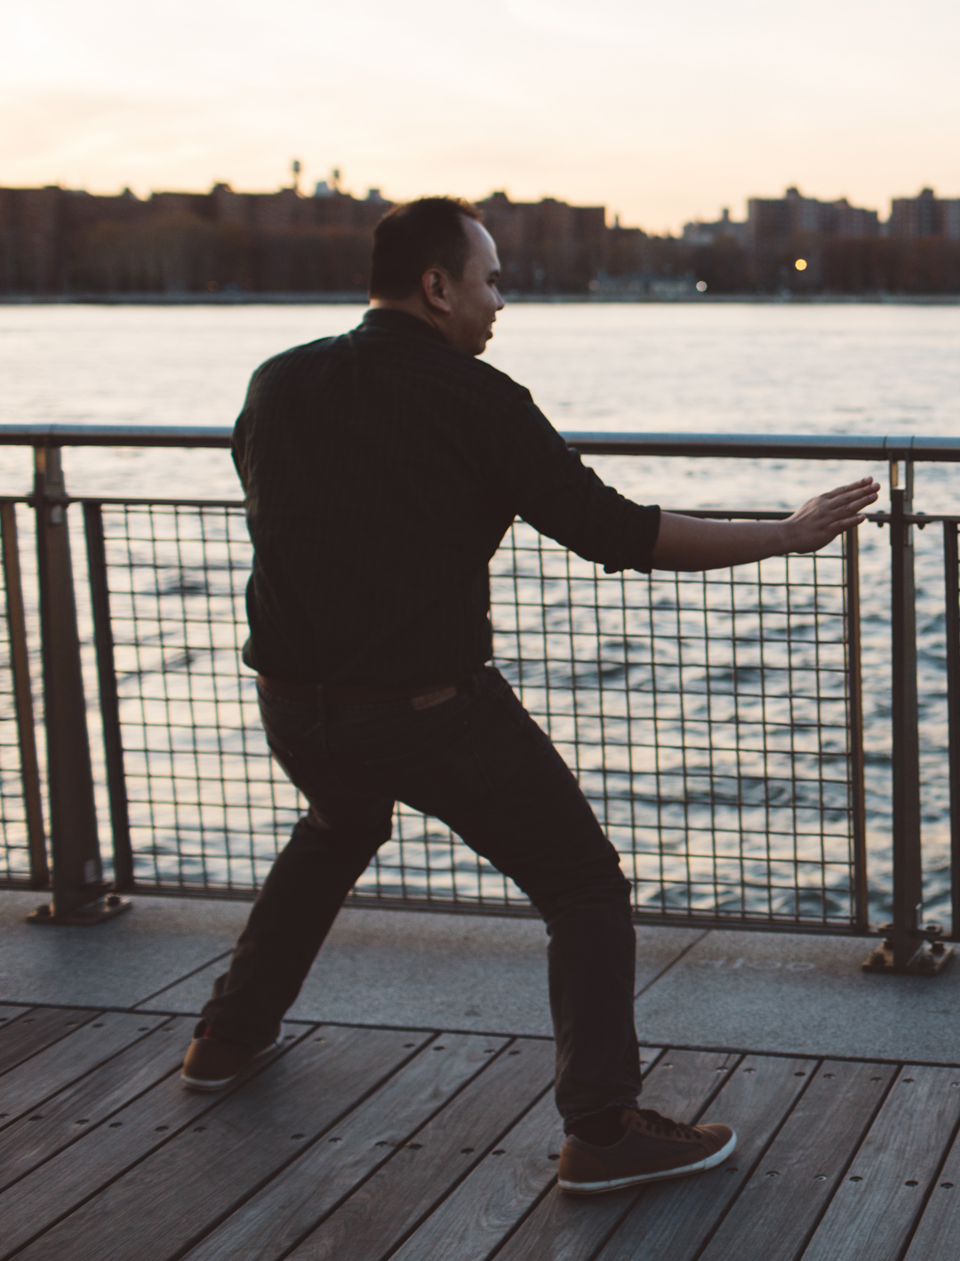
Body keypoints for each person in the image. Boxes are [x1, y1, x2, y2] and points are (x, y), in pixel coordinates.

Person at [182, 196, 879, 1194]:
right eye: (491, 278)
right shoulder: (481, 400)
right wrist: (784, 532)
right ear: (438, 286)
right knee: (584, 885)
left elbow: (275, 492)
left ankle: (224, 1038)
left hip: (295, 702)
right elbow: (618, 533)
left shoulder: (279, 379)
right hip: (428, 708)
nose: (500, 300)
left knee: (337, 823)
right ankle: (601, 1128)